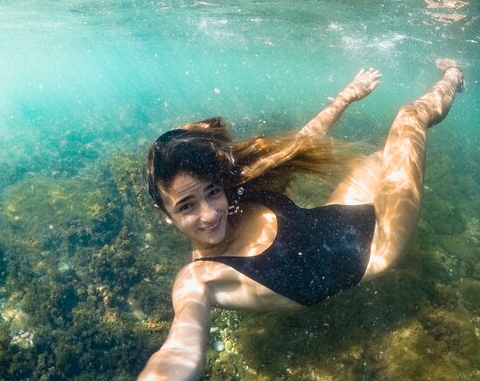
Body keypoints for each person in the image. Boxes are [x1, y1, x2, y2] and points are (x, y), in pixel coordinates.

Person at [137, 59, 465, 381]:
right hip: (378, 244)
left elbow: (302, 145)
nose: (209, 213)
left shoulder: (238, 194)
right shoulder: (199, 280)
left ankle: (451, 84)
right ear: (164, 215)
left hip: (341, 213)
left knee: (382, 157)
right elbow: (178, 349)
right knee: (410, 117)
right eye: (186, 207)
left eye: (212, 192)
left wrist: (347, 96)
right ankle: (453, 75)